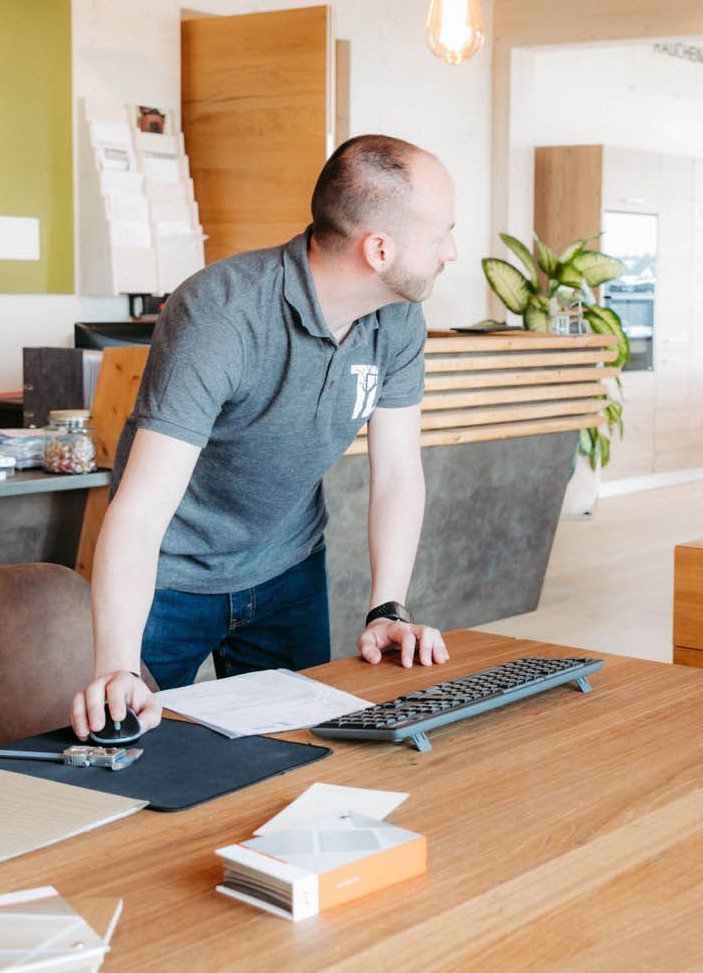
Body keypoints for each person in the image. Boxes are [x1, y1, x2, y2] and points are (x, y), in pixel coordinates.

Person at [71, 134, 457, 740]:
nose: (451, 252)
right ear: (379, 249)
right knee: (135, 745)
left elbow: (398, 473)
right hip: (170, 577)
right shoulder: (221, 312)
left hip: (287, 569)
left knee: (300, 747)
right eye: (441, 236)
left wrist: (387, 607)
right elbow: (141, 509)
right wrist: (116, 666)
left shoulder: (398, 318)